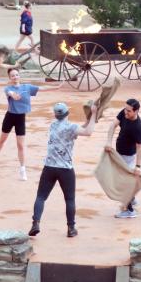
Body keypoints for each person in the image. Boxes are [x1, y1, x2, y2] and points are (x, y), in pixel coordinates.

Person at [29, 101, 98, 238]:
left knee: (41, 197)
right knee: (69, 199)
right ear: (68, 113)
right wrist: (94, 114)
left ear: (55, 115)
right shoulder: (71, 127)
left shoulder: (53, 126)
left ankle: (35, 223)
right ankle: (71, 228)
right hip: (65, 169)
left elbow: (80, 128)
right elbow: (88, 131)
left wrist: (89, 119)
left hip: (49, 167)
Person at [0, 68, 62, 181]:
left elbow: (42, 88)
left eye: (16, 75)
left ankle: (22, 169)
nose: (15, 77)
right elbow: (10, 93)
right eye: (12, 76)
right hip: (9, 117)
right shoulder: (8, 88)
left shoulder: (27, 87)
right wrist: (13, 95)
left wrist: (56, 87)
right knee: (2, 139)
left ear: (19, 76)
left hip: (20, 118)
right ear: (10, 78)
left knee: (20, 145)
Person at [104, 98, 141, 218]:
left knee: (122, 183)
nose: (125, 113)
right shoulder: (124, 112)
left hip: (128, 157)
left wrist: (138, 166)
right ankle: (131, 199)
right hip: (119, 154)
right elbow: (113, 125)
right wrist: (108, 142)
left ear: (136, 111)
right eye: (125, 110)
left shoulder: (138, 127)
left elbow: (140, 148)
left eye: (129, 111)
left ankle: (129, 211)